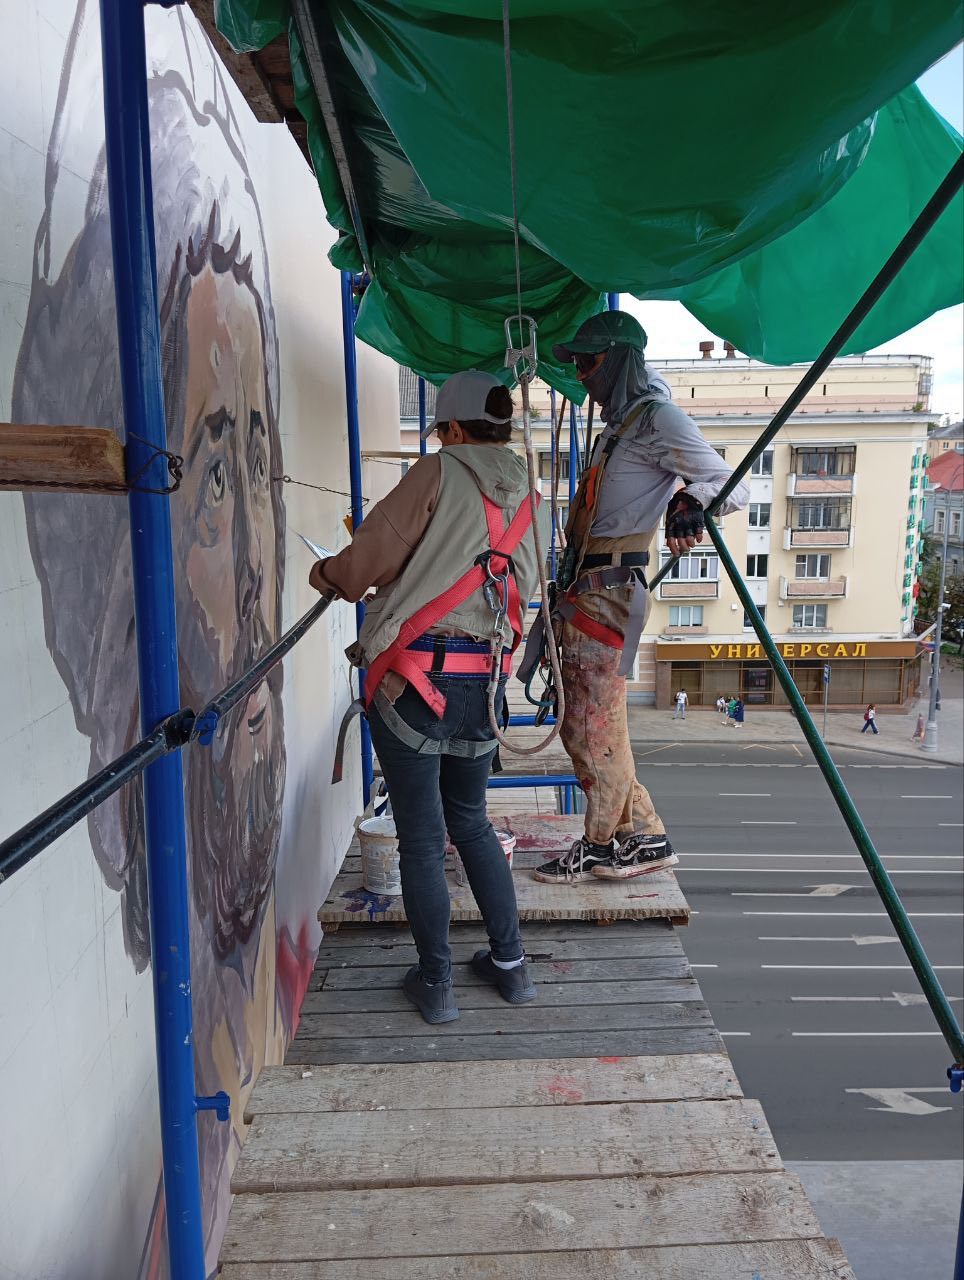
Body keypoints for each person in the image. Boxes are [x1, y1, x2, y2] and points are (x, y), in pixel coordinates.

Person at [309, 370, 540, 1023]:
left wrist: (324, 571)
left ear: (456, 428)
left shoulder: (439, 474)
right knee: (470, 822)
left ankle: (436, 985)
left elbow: (361, 570)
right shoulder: (531, 494)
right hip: (483, 688)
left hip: (415, 684)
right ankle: (511, 967)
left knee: (420, 835)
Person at [531, 311, 750, 884]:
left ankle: (602, 842)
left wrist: (691, 500)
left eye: (589, 361)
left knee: (592, 724)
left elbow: (734, 483)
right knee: (587, 724)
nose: (580, 374)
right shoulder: (621, 425)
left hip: (608, 592)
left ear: (620, 362)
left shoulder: (658, 417)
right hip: (587, 587)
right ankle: (644, 834)